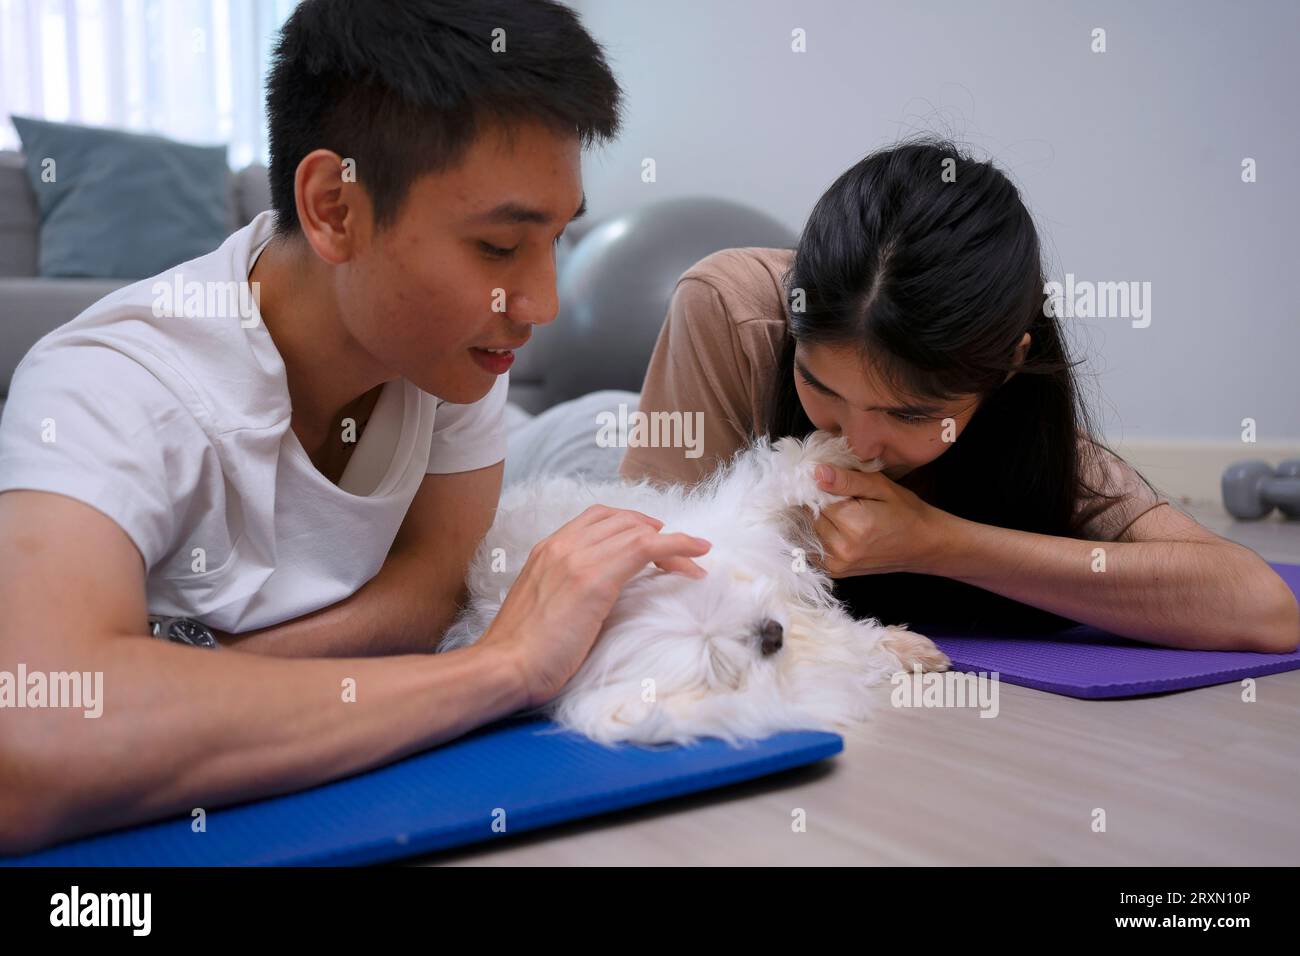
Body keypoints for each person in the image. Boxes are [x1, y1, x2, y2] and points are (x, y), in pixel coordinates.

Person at [0, 0, 710, 855]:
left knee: (598, 425)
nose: (541, 305)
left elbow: (431, 583)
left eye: (556, 240)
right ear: (335, 207)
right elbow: (33, 741)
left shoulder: (453, 350)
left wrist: (209, 678)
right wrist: (503, 667)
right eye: (496, 248)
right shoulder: (109, 383)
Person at [620, 138, 1299, 651]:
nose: (857, 444)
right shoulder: (732, 310)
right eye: (821, 387)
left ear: (1004, 369)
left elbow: (1261, 608)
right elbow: (640, 560)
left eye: (911, 414)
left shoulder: (1020, 408)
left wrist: (936, 542)